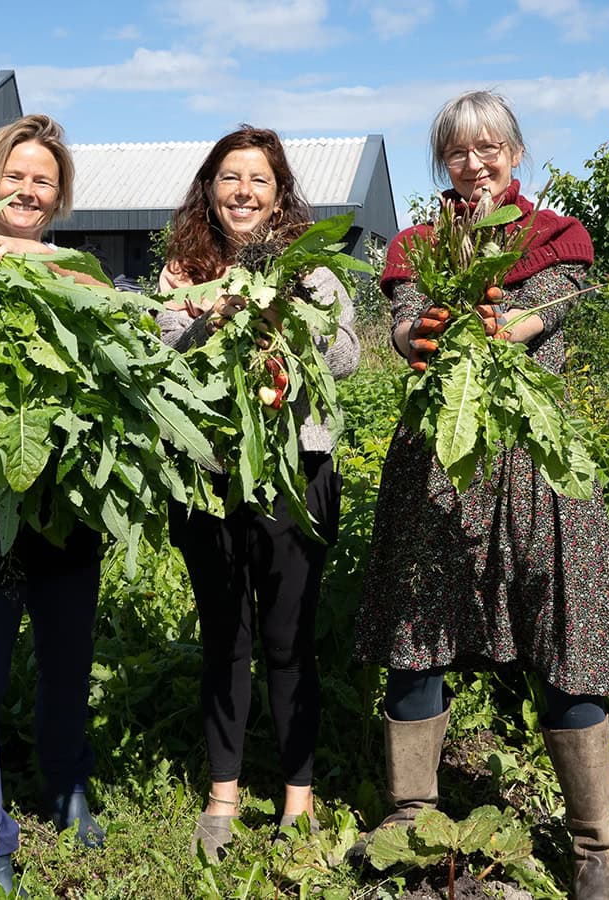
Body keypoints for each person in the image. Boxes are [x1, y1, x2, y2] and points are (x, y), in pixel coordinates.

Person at [353, 91, 609, 900]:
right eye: (458, 151)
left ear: (515, 152)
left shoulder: (555, 238)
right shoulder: (417, 243)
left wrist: (510, 324)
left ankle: (594, 850)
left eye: (489, 147)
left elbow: (554, 308)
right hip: (440, 466)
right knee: (418, 635)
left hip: (539, 466)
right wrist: (423, 333)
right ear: (443, 160)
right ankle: (412, 825)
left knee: (564, 642)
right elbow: (405, 324)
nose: (474, 163)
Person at [154, 126, 359, 858]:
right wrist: (211, 312)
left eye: (259, 179)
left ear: (279, 194)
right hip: (210, 479)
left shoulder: (313, 270)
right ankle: (223, 796)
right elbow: (165, 360)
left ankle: (298, 800)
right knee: (225, 637)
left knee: (289, 640)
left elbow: (346, 356)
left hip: (293, 477)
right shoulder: (184, 270)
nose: (243, 191)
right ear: (210, 190)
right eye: (230, 177)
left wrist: (280, 311)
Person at [0, 114, 106, 899]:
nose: (27, 189)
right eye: (15, 175)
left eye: (43, 180)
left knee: (68, 664)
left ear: (59, 196)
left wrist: (28, 254)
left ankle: (65, 785)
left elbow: (106, 301)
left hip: (67, 495)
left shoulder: (78, 267)